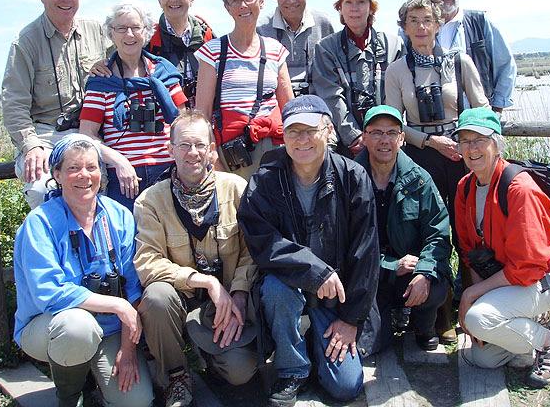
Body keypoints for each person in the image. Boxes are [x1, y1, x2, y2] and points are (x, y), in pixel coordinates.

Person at [238, 95, 379, 406]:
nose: (301, 140)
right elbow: (262, 241)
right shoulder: (265, 180)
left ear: (328, 131)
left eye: (310, 131)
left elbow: (365, 254)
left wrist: (351, 319)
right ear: (283, 136)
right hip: (290, 291)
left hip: (337, 299)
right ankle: (292, 368)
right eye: (293, 132)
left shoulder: (353, 178)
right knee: (275, 288)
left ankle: (317, 338)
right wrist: (316, 271)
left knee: (345, 387)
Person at [12, 134, 153, 407]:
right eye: (73, 168)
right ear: (57, 174)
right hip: (50, 327)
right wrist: (117, 305)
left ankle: (93, 378)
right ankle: (69, 396)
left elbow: (133, 288)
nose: (84, 176)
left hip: (110, 329)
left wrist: (128, 350)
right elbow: (49, 294)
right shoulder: (40, 223)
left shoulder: (119, 216)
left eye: (91, 167)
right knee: (78, 328)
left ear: (101, 172)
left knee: (137, 401)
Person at [133, 110, 258, 407]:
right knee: (156, 296)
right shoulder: (149, 201)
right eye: (184, 145)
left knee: (241, 373)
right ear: (170, 149)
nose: (193, 153)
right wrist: (203, 281)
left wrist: (239, 292)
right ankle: (176, 375)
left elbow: (252, 252)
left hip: (226, 306)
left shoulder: (236, 189)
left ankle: (214, 358)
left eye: (200, 145)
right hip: (178, 300)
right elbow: (147, 262)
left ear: (212, 150)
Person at [453, 107, 550, 387]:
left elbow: (530, 265)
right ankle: (532, 328)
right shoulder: (465, 188)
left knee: (478, 319)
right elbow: (470, 251)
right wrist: (475, 293)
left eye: (479, 140)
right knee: (482, 358)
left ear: (496, 143)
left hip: (547, 276)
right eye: (465, 141)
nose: (472, 148)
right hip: (510, 275)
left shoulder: (518, 189)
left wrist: (473, 294)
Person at [1, 0, 110, 208]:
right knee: (41, 189)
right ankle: (54, 244)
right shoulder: (26, 42)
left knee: (117, 181)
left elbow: (132, 42)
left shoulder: (98, 31)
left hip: (90, 130)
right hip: (46, 134)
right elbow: (13, 103)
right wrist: (31, 146)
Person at [385, 0, 488, 239]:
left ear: (439, 24)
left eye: (428, 19)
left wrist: (467, 140)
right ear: (404, 27)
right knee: (425, 226)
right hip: (421, 155)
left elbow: (483, 110)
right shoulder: (396, 71)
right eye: (414, 20)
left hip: (461, 153)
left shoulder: (460, 63)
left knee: (469, 225)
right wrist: (431, 142)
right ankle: (432, 276)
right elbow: (394, 123)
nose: (421, 27)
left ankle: (472, 277)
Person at [356, 105, 452, 351]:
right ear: (364, 137)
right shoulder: (349, 180)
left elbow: (438, 234)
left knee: (435, 287)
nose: (384, 140)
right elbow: (343, 243)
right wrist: (388, 265)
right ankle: (386, 319)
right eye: (376, 133)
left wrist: (424, 271)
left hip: (411, 270)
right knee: (373, 345)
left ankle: (423, 324)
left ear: (401, 138)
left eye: (391, 133)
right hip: (369, 274)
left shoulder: (420, 179)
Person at [79, 2, 187, 212]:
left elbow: (183, 122)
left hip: (168, 172)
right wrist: (119, 161)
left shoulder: (164, 72)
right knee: (130, 238)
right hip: (124, 177)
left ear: (146, 32)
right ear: (111, 34)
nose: (129, 34)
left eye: (135, 27)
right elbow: (87, 134)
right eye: (121, 28)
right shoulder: (102, 79)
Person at [195, 0, 294, 180]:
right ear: (227, 7)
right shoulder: (212, 52)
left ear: (261, 0)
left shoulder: (276, 50)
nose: (243, 6)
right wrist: (213, 158)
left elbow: (288, 107)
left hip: (276, 149)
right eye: (235, 0)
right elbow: (202, 112)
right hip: (233, 154)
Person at [90, 0, 215, 107]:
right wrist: (101, 65)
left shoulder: (206, 35)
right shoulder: (146, 36)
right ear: (159, 0)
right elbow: (120, 56)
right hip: (166, 117)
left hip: (206, 118)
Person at [311, 0, 403, 157]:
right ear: (340, 8)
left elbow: (398, 96)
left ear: (371, 8)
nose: (355, 8)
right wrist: (354, 136)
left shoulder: (394, 44)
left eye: (361, 2)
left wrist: (383, 134)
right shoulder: (325, 48)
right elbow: (331, 96)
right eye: (348, 2)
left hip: (388, 140)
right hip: (347, 143)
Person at [426, 0, 517, 113]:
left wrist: (495, 112)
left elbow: (505, 67)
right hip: (431, 124)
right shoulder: (413, 28)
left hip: (476, 119)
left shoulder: (481, 22)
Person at [257, 0, 334, 97]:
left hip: (319, 104)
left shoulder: (324, 23)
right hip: (277, 104)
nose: (291, 0)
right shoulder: (260, 30)